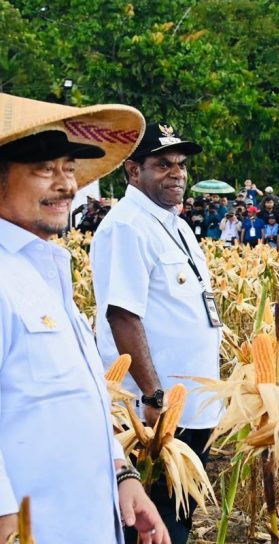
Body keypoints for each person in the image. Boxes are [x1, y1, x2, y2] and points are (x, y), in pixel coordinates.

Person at [0, 93, 168, 544]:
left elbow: (76, 399)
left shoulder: (45, 269)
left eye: (68, 168)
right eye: (44, 169)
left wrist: (122, 475)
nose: (67, 185)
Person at [90, 122, 222, 544]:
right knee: (151, 521)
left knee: (177, 516)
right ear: (133, 171)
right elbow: (123, 315)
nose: (177, 173)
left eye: (181, 164)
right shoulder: (127, 225)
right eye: (162, 164)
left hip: (190, 406)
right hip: (154, 415)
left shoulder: (174, 223)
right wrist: (152, 395)